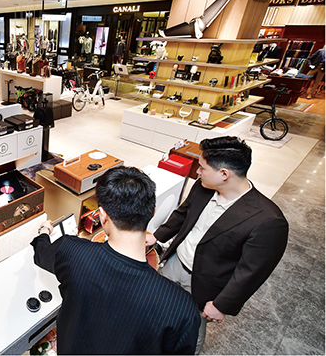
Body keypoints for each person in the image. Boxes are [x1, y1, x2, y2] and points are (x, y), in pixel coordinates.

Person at [32, 166, 201, 355]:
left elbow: (42, 255)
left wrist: (44, 232)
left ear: (102, 215)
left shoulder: (71, 251)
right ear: (152, 211)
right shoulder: (183, 309)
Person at [146, 136, 289, 354]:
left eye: (202, 168)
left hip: (204, 286)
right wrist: (157, 236)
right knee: (157, 308)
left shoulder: (268, 220)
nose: (197, 172)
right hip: (175, 263)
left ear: (224, 174)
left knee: (190, 329)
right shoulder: (203, 186)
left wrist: (222, 305)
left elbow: (251, 271)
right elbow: (183, 214)